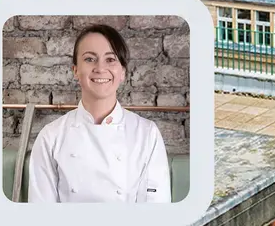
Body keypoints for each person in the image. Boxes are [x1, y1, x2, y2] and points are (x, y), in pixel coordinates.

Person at [28, 24, 171, 203]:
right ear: (75, 71)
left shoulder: (147, 134)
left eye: (110, 59)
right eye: (89, 59)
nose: (100, 68)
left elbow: (157, 212)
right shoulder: (51, 136)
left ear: (122, 72)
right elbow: (41, 214)